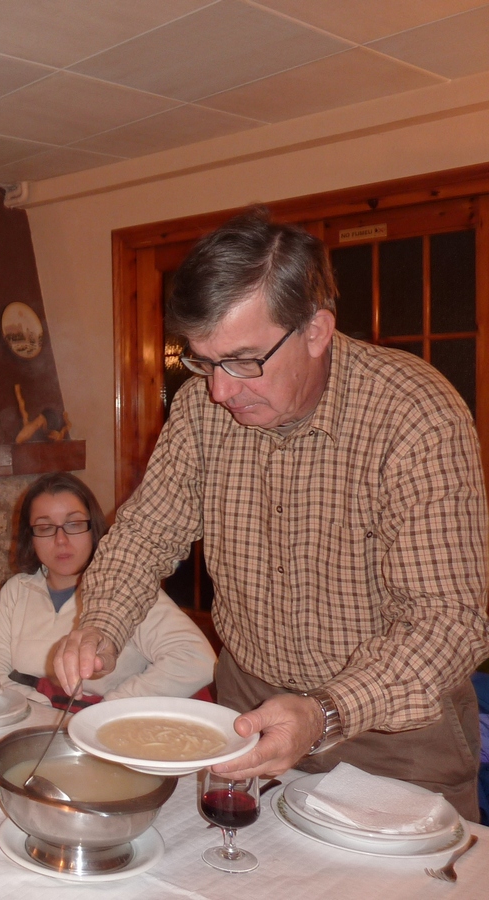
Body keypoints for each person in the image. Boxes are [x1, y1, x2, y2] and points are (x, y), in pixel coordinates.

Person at [54, 209, 489, 819]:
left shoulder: (414, 414)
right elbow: (145, 534)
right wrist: (100, 623)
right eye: (203, 362)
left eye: (242, 360)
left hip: (392, 732)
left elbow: (448, 620)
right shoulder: (203, 411)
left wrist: (324, 711)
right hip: (246, 709)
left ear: (316, 331)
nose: (220, 391)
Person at [0, 472, 215, 707]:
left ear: (93, 527)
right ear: (29, 538)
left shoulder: (128, 589)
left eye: (74, 524)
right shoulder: (16, 591)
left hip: (110, 725)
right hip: (34, 718)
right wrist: (35, 707)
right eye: (45, 528)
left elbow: (197, 660)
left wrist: (111, 708)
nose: (61, 540)